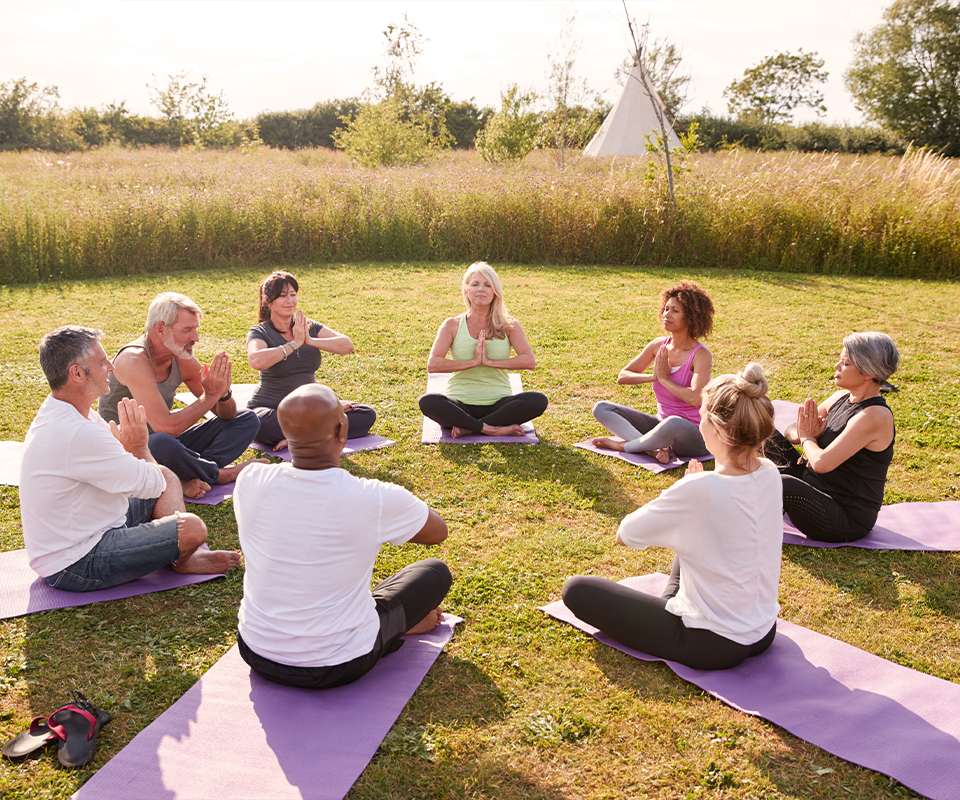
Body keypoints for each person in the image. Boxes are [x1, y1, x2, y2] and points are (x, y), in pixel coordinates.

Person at [563, 363, 782, 671]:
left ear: (716, 428)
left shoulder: (700, 489)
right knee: (696, 533)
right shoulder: (770, 472)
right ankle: (672, 605)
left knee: (576, 590)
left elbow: (625, 534)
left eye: (702, 415)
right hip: (762, 631)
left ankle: (671, 610)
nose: (699, 422)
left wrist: (687, 488)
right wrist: (695, 495)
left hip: (712, 643)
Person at [234, 384, 452, 689]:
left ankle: (380, 620)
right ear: (342, 433)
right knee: (434, 573)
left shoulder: (250, 480)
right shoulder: (372, 497)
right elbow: (437, 531)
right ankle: (399, 625)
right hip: (338, 662)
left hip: (256, 650)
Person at [20, 326, 240, 592]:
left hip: (94, 526)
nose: (111, 367)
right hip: (75, 563)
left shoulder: (68, 410)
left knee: (168, 475)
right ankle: (181, 557)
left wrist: (130, 452)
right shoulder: (76, 431)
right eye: (102, 362)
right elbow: (150, 483)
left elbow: (138, 472)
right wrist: (138, 447)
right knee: (192, 528)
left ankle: (181, 556)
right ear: (76, 373)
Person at [99, 292, 265, 500]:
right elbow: (166, 426)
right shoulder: (133, 360)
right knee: (160, 442)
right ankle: (219, 474)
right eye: (187, 330)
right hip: (127, 452)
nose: (195, 338)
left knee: (247, 419)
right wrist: (210, 395)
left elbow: (228, 416)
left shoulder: (180, 356)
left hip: (167, 446)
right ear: (161, 329)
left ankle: (191, 473)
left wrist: (223, 394)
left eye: (195, 329)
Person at [762, 332, 900, 543]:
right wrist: (805, 435)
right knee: (761, 434)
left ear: (868, 373)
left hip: (843, 516)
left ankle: (740, 523)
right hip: (811, 484)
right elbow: (792, 429)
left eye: (845, 363)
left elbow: (821, 463)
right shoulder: (841, 397)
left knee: (783, 484)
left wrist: (809, 438)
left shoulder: (874, 416)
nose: (836, 366)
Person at [246, 270, 376, 451]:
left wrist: (310, 341)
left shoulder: (308, 327)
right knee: (257, 423)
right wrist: (293, 344)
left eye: (293, 295)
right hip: (271, 409)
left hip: (309, 410)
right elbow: (256, 360)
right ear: (268, 301)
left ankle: (298, 438)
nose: (290, 301)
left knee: (365, 414)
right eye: (282, 296)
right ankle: (317, 434)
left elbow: (347, 345)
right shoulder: (260, 331)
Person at [418, 262, 548, 438]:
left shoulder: (509, 325)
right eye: (475, 284)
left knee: (538, 400)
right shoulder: (452, 325)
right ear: (466, 290)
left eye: (487, 285)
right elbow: (433, 364)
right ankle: (492, 428)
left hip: (499, 403)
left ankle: (470, 427)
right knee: (428, 401)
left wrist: (489, 362)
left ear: (495, 292)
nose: (481, 289)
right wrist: (472, 363)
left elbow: (529, 361)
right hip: (459, 404)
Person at [591, 280, 715, 463]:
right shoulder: (659, 345)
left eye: (675, 311)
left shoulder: (701, 355)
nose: (666, 315)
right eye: (666, 309)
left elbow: (695, 398)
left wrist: (664, 380)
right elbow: (623, 376)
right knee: (601, 408)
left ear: (691, 317)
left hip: (694, 434)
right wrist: (654, 376)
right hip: (660, 425)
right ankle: (653, 449)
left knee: (673, 422)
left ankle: (624, 446)